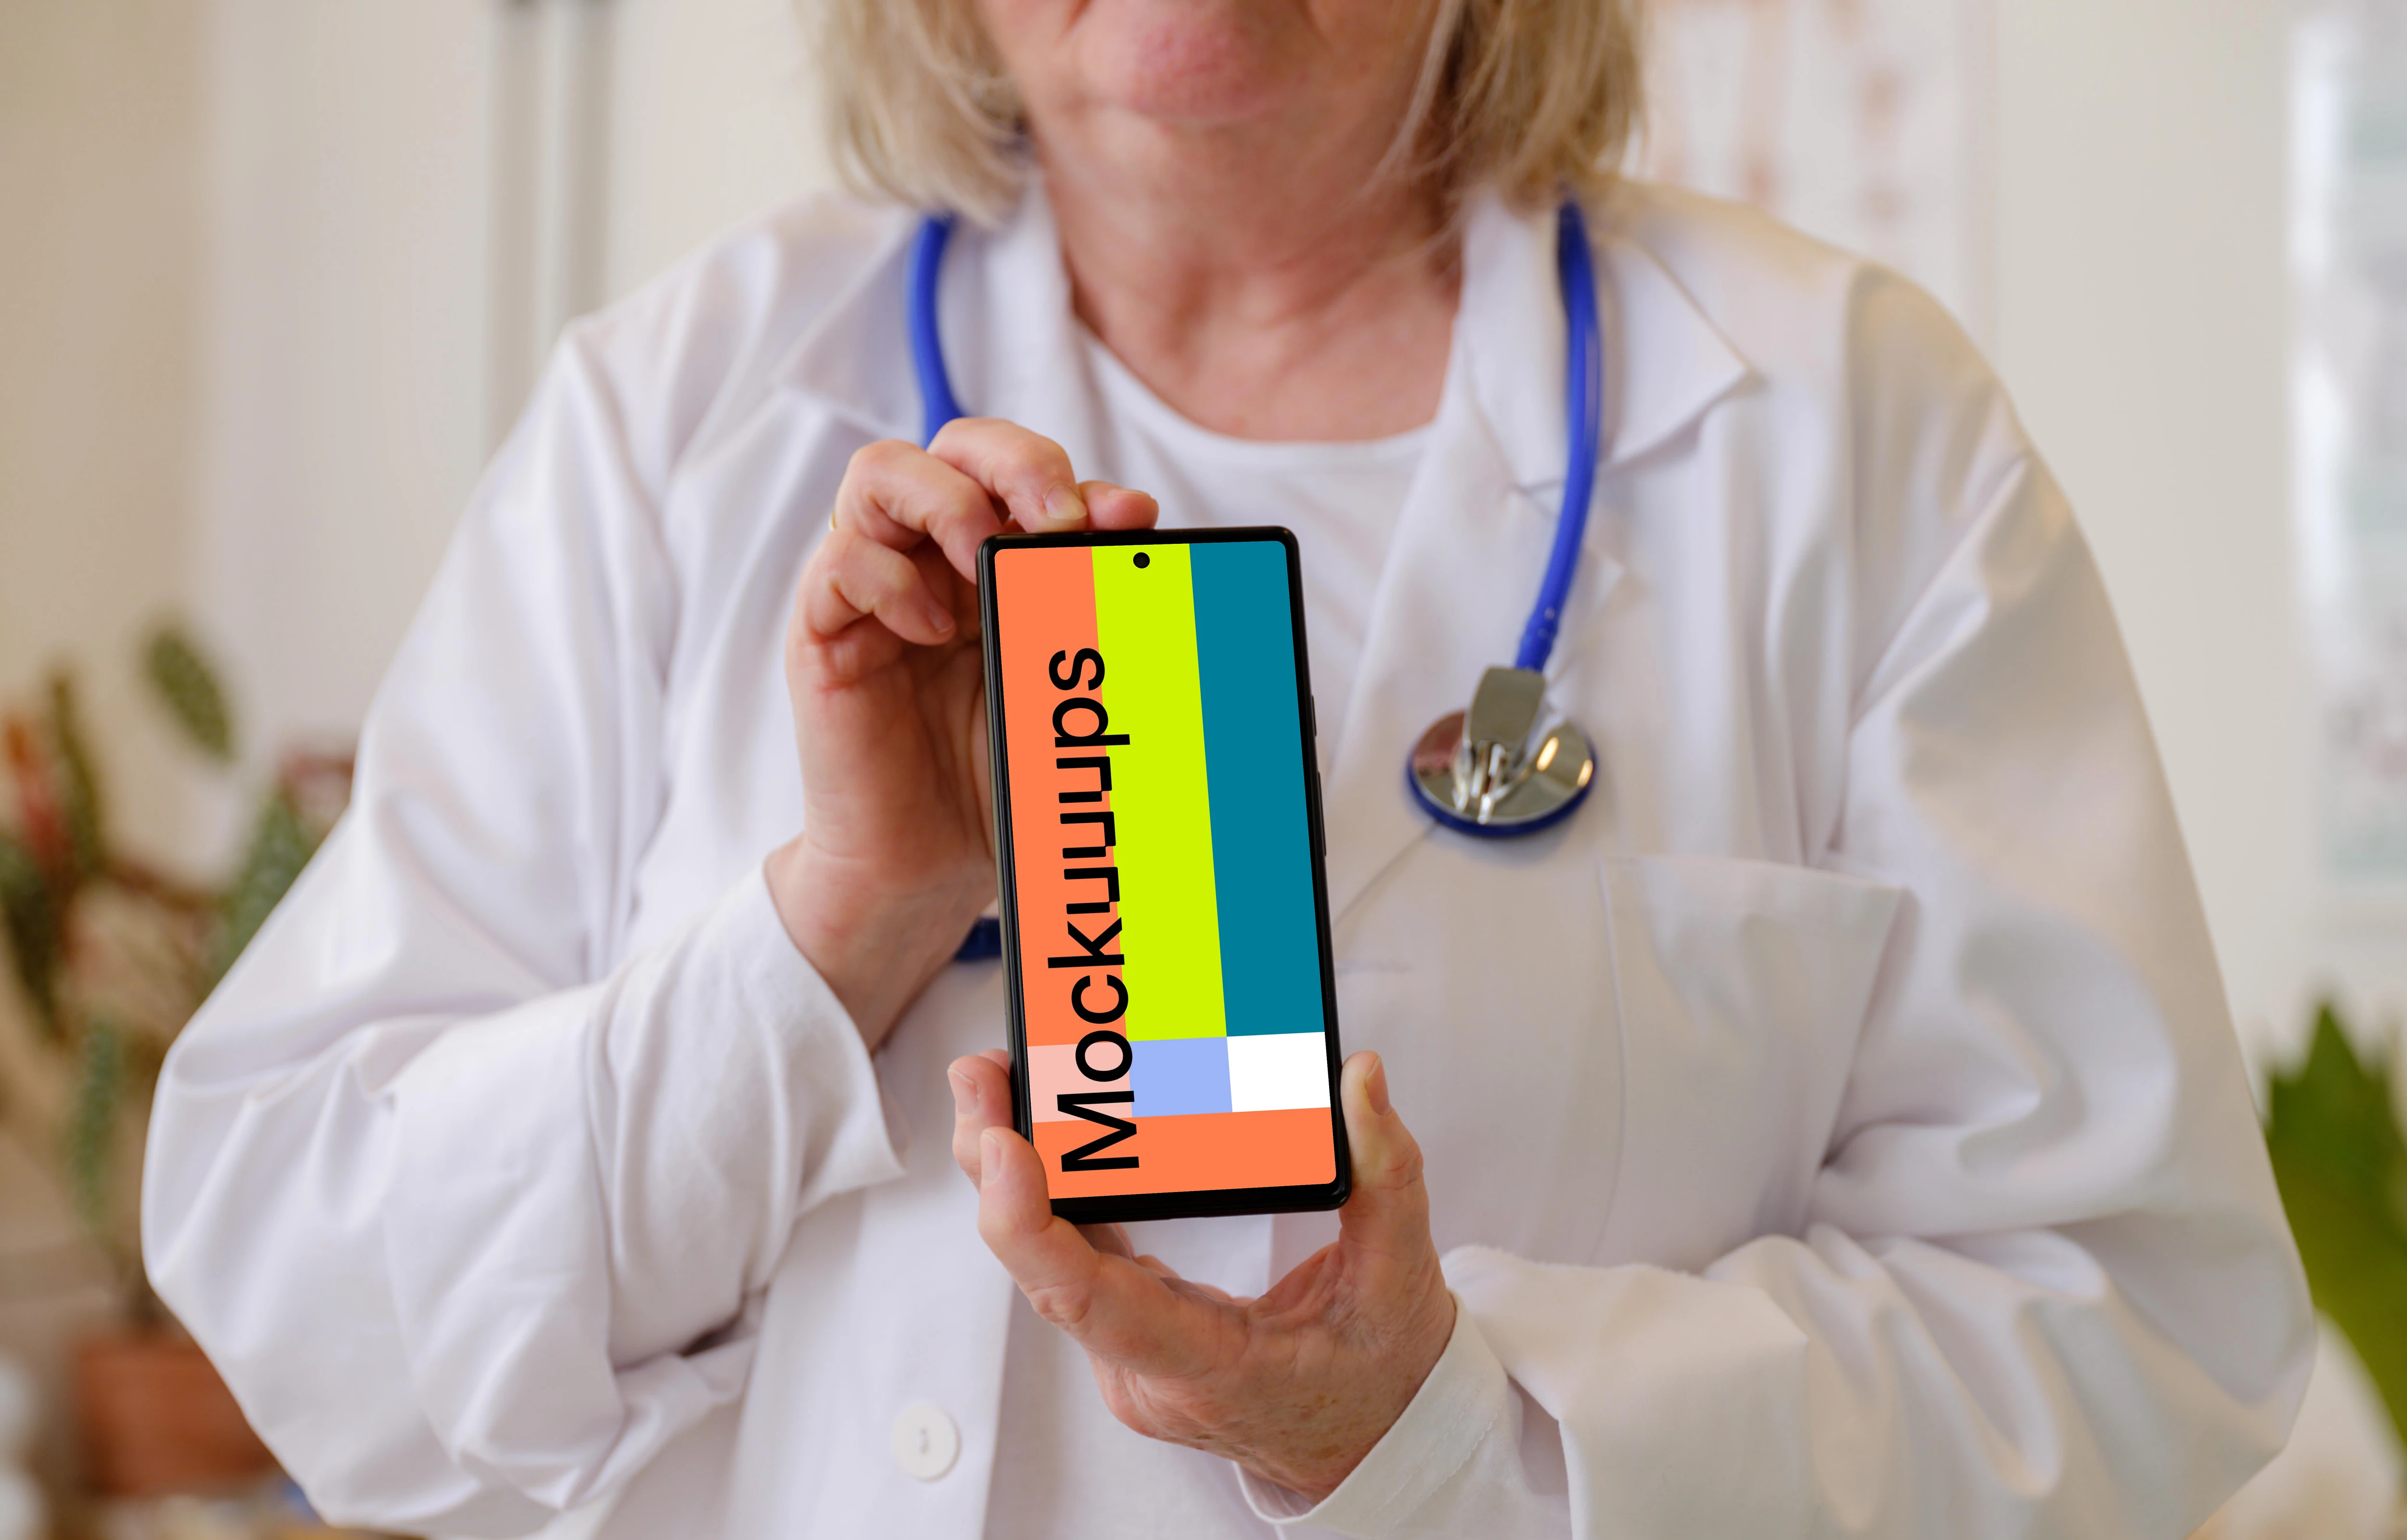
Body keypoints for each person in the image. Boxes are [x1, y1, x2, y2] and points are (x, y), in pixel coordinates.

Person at [142, 0, 2315, 1535]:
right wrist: (837, 924)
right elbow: (313, 1305)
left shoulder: (1849, 429)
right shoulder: (676, 415)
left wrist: (1443, 1436)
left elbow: (2129, 1337)